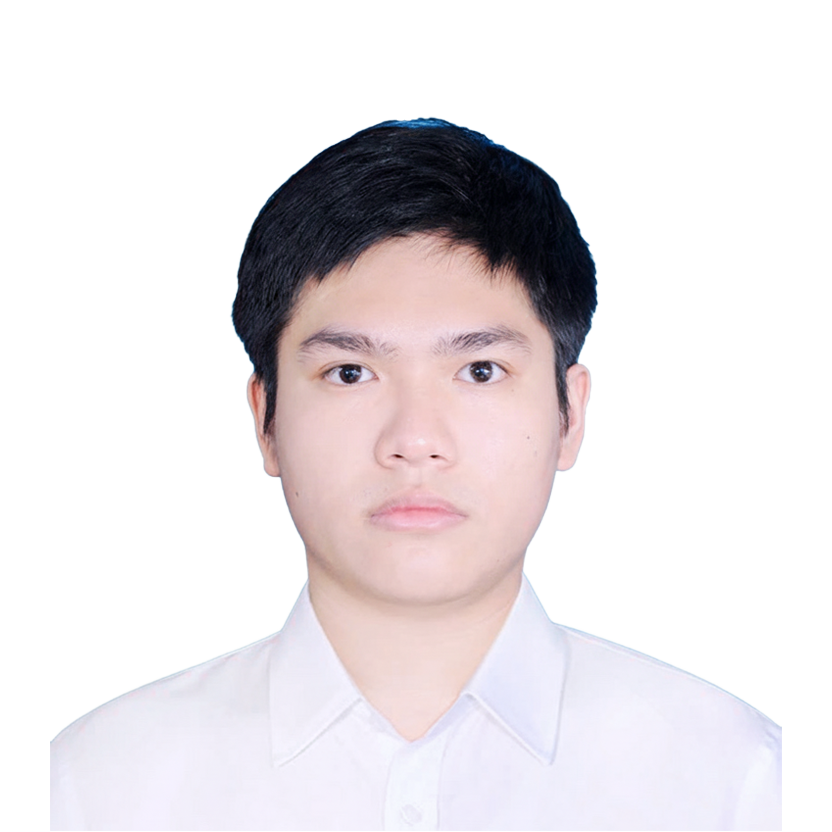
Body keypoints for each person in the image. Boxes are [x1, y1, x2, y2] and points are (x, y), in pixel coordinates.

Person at [50, 118, 782, 831]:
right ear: (266, 419)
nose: (415, 441)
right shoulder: (99, 785)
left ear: (570, 414)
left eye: (480, 370)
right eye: (350, 372)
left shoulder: (734, 783)